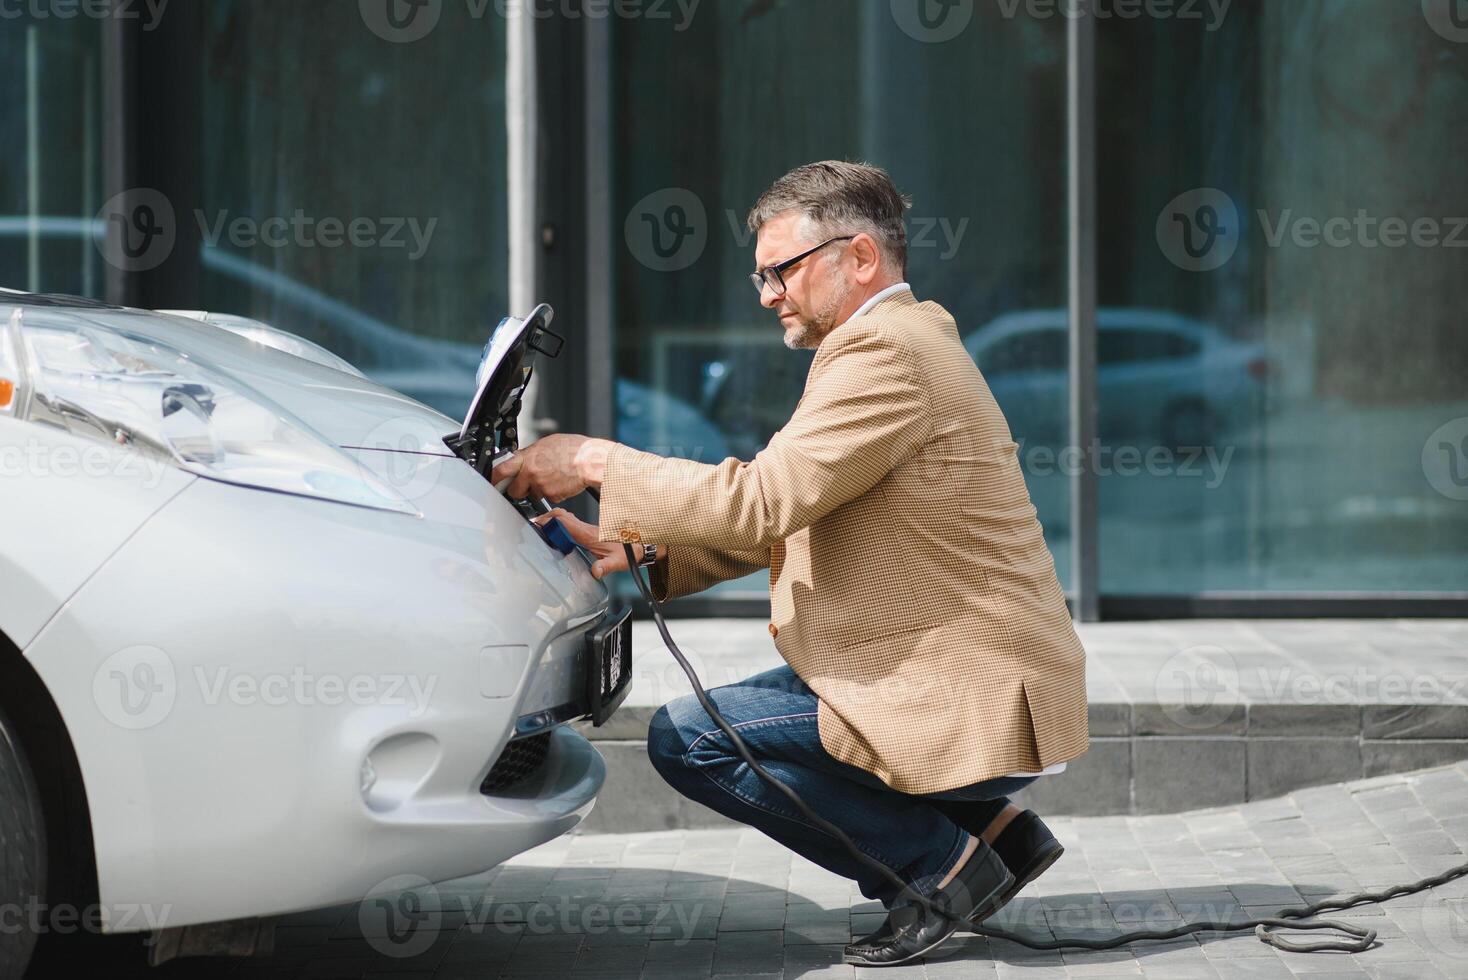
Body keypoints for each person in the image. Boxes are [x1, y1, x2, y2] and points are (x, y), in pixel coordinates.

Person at [490, 160, 1088, 967]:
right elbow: (788, 517)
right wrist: (645, 551)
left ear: (862, 258)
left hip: (965, 690)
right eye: (760, 273)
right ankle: (995, 835)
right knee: (758, 707)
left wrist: (594, 458)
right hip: (969, 671)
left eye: (782, 270)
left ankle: (936, 868)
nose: (767, 293)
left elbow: (761, 501)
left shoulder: (883, 354)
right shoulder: (906, 337)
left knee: (689, 738)